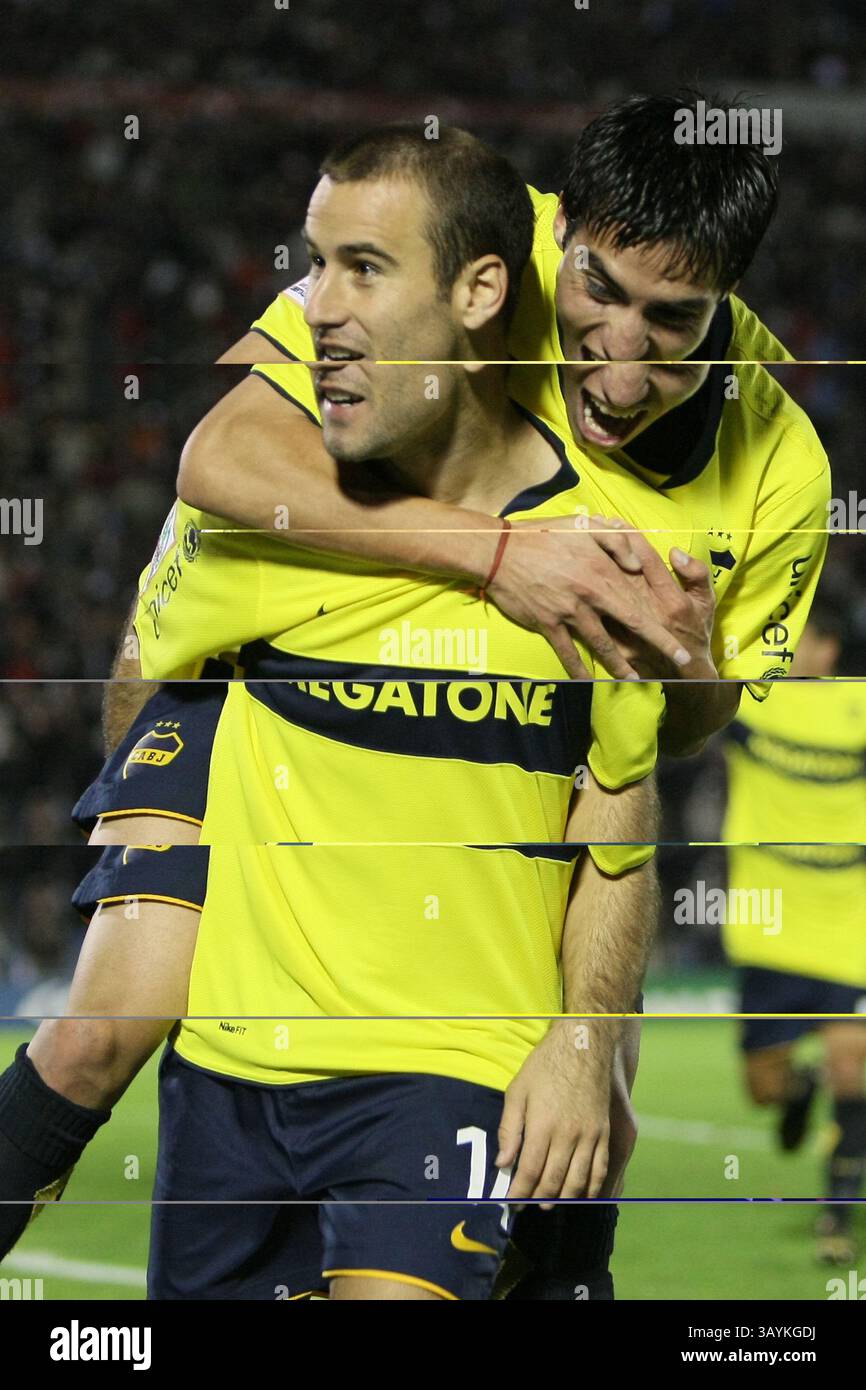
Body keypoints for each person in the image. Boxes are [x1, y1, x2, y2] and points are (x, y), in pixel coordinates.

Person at [1, 125, 664, 1300]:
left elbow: (619, 808)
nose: (314, 305)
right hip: (238, 1076)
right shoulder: (268, 501)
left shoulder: (595, 540)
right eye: (314, 265)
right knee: (96, 1028)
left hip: (441, 1068)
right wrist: (168, 845)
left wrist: (585, 1043)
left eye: (361, 267)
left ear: (478, 293)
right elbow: (151, 649)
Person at [186, 90, 830, 757]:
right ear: (561, 227)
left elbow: (694, 728)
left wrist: (683, 659)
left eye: (672, 320)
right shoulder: (472, 236)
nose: (621, 373)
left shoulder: (784, 472)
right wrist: (500, 555)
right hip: (248, 680)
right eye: (600, 291)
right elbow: (224, 457)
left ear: (730, 288)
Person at [720, 605, 866, 1265]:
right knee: (764, 1086)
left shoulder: (858, 710)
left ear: (828, 647)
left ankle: (837, 1217)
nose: (779, 646)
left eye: (795, 636)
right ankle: (798, 1089)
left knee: (854, 1063)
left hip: (850, 917)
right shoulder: (753, 700)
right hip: (769, 921)